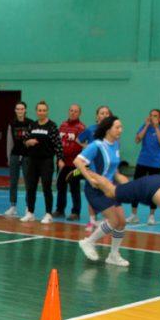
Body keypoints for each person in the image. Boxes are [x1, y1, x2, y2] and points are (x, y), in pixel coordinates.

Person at [74, 115, 130, 267]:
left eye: (121, 127)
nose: (120, 130)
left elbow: (114, 170)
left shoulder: (116, 144)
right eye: (117, 127)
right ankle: (88, 242)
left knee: (122, 222)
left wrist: (121, 179)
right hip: (96, 190)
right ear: (108, 129)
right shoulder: (96, 146)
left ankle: (113, 255)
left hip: (110, 189)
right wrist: (89, 178)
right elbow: (77, 161)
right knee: (113, 221)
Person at [21, 101, 63, 224]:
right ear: (36, 111)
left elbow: (58, 144)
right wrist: (28, 142)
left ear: (47, 111)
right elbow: (25, 139)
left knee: (46, 187)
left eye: (44, 110)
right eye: (39, 110)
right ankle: (30, 212)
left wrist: (60, 158)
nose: (42, 112)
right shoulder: (32, 125)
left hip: (46, 161)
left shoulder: (52, 126)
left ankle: (48, 213)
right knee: (31, 187)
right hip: (32, 160)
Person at [128, 109, 160, 225]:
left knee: (154, 190)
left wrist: (156, 128)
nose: (152, 118)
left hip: (155, 164)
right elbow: (137, 140)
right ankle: (134, 215)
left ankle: (151, 216)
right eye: (151, 115)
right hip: (142, 161)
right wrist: (146, 126)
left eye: (155, 116)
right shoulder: (144, 126)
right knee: (136, 188)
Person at [77, 105, 111, 230]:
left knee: (106, 195)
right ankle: (92, 220)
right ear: (97, 116)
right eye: (102, 113)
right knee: (92, 194)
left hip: (107, 169)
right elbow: (78, 139)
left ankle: (107, 220)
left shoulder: (112, 131)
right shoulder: (91, 129)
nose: (104, 115)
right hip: (92, 168)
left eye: (107, 113)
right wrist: (86, 148)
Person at [55, 103, 85, 220]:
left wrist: (79, 162)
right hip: (62, 163)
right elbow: (57, 144)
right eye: (71, 110)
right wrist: (59, 158)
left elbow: (83, 147)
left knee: (74, 187)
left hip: (75, 165)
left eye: (75, 111)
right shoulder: (62, 125)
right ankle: (60, 210)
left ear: (79, 113)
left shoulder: (82, 128)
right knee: (60, 186)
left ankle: (75, 212)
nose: (73, 113)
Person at [4, 101, 31, 217]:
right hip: (15, 155)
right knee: (13, 181)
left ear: (25, 110)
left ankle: (28, 207)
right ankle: (13, 206)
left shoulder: (31, 123)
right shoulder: (12, 123)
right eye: (18, 109)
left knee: (28, 182)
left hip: (27, 156)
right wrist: (9, 157)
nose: (20, 111)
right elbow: (9, 141)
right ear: (15, 110)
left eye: (22, 109)